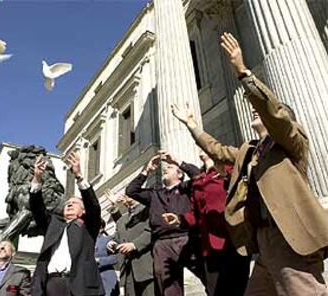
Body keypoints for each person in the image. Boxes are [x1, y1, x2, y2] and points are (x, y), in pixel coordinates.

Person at [171, 32, 328, 295]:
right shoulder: (249, 150)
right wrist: (191, 125)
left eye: (260, 110)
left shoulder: (291, 141)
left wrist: (243, 72)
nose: (253, 109)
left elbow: (274, 114)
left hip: (290, 236)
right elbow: (217, 150)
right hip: (262, 240)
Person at [163, 152, 250, 296]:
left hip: (231, 241)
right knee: (214, 291)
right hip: (208, 248)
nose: (200, 149)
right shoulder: (199, 180)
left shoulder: (227, 170)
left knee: (238, 290)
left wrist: (179, 162)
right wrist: (179, 219)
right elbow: (194, 214)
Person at [125, 150, 205, 296]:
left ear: (180, 174)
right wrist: (146, 171)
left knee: (207, 276)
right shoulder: (155, 193)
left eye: (170, 167)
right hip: (162, 245)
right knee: (168, 289)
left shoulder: (187, 188)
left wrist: (177, 161)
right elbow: (131, 191)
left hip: (187, 238)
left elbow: (199, 176)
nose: (165, 169)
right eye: (165, 168)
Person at [30, 152, 104, 296]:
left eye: (74, 203)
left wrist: (79, 176)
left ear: (82, 211)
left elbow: (93, 206)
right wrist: (37, 178)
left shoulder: (88, 225)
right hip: (53, 283)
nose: (69, 204)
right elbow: (37, 208)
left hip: (80, 285)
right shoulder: (53, 224)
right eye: (67, 203)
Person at [105, 192, 154, 296]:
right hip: (128, 273)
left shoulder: (148, 210)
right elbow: (118, 238)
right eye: (126, 193)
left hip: (147, 269)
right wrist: (112, 243)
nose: (127, 195)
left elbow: (151, 231)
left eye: (131, 192)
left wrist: (134, 245)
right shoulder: (122, 220)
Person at [95, 219, 119, 296]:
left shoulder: (108, 240)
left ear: (101, 228)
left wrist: (99, 260)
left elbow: (117, 257)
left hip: (106, 278)